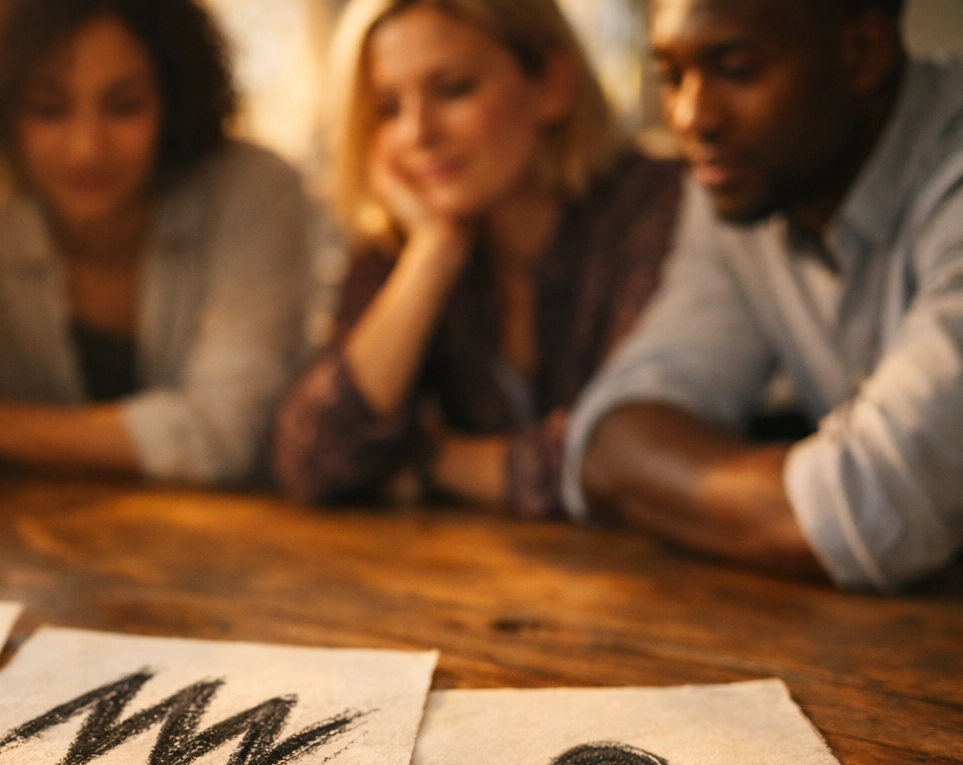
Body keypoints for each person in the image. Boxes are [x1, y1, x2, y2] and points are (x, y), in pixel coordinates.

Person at [567, 0, 963, 589]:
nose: (691, 116)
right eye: (670, 77)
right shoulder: (742, 181)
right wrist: (811, 508)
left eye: (737, 69)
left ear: (864, 54)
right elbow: (610, 439)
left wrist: (671, 487)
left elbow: (884, 507)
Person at [272, 0, 683, 516]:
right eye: (387, 109)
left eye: (453, 90)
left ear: (551, 85)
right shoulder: (408, 234)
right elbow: (313, 460)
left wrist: (427, 459)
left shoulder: (655, 205)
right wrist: (433, 255)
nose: (417, 133)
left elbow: (629, 463)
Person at [0, 0, 310, 484]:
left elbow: (230, 434)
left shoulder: (252, 192)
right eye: (49, 110)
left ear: (174, 98)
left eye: (125, 106)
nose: (88, 146)